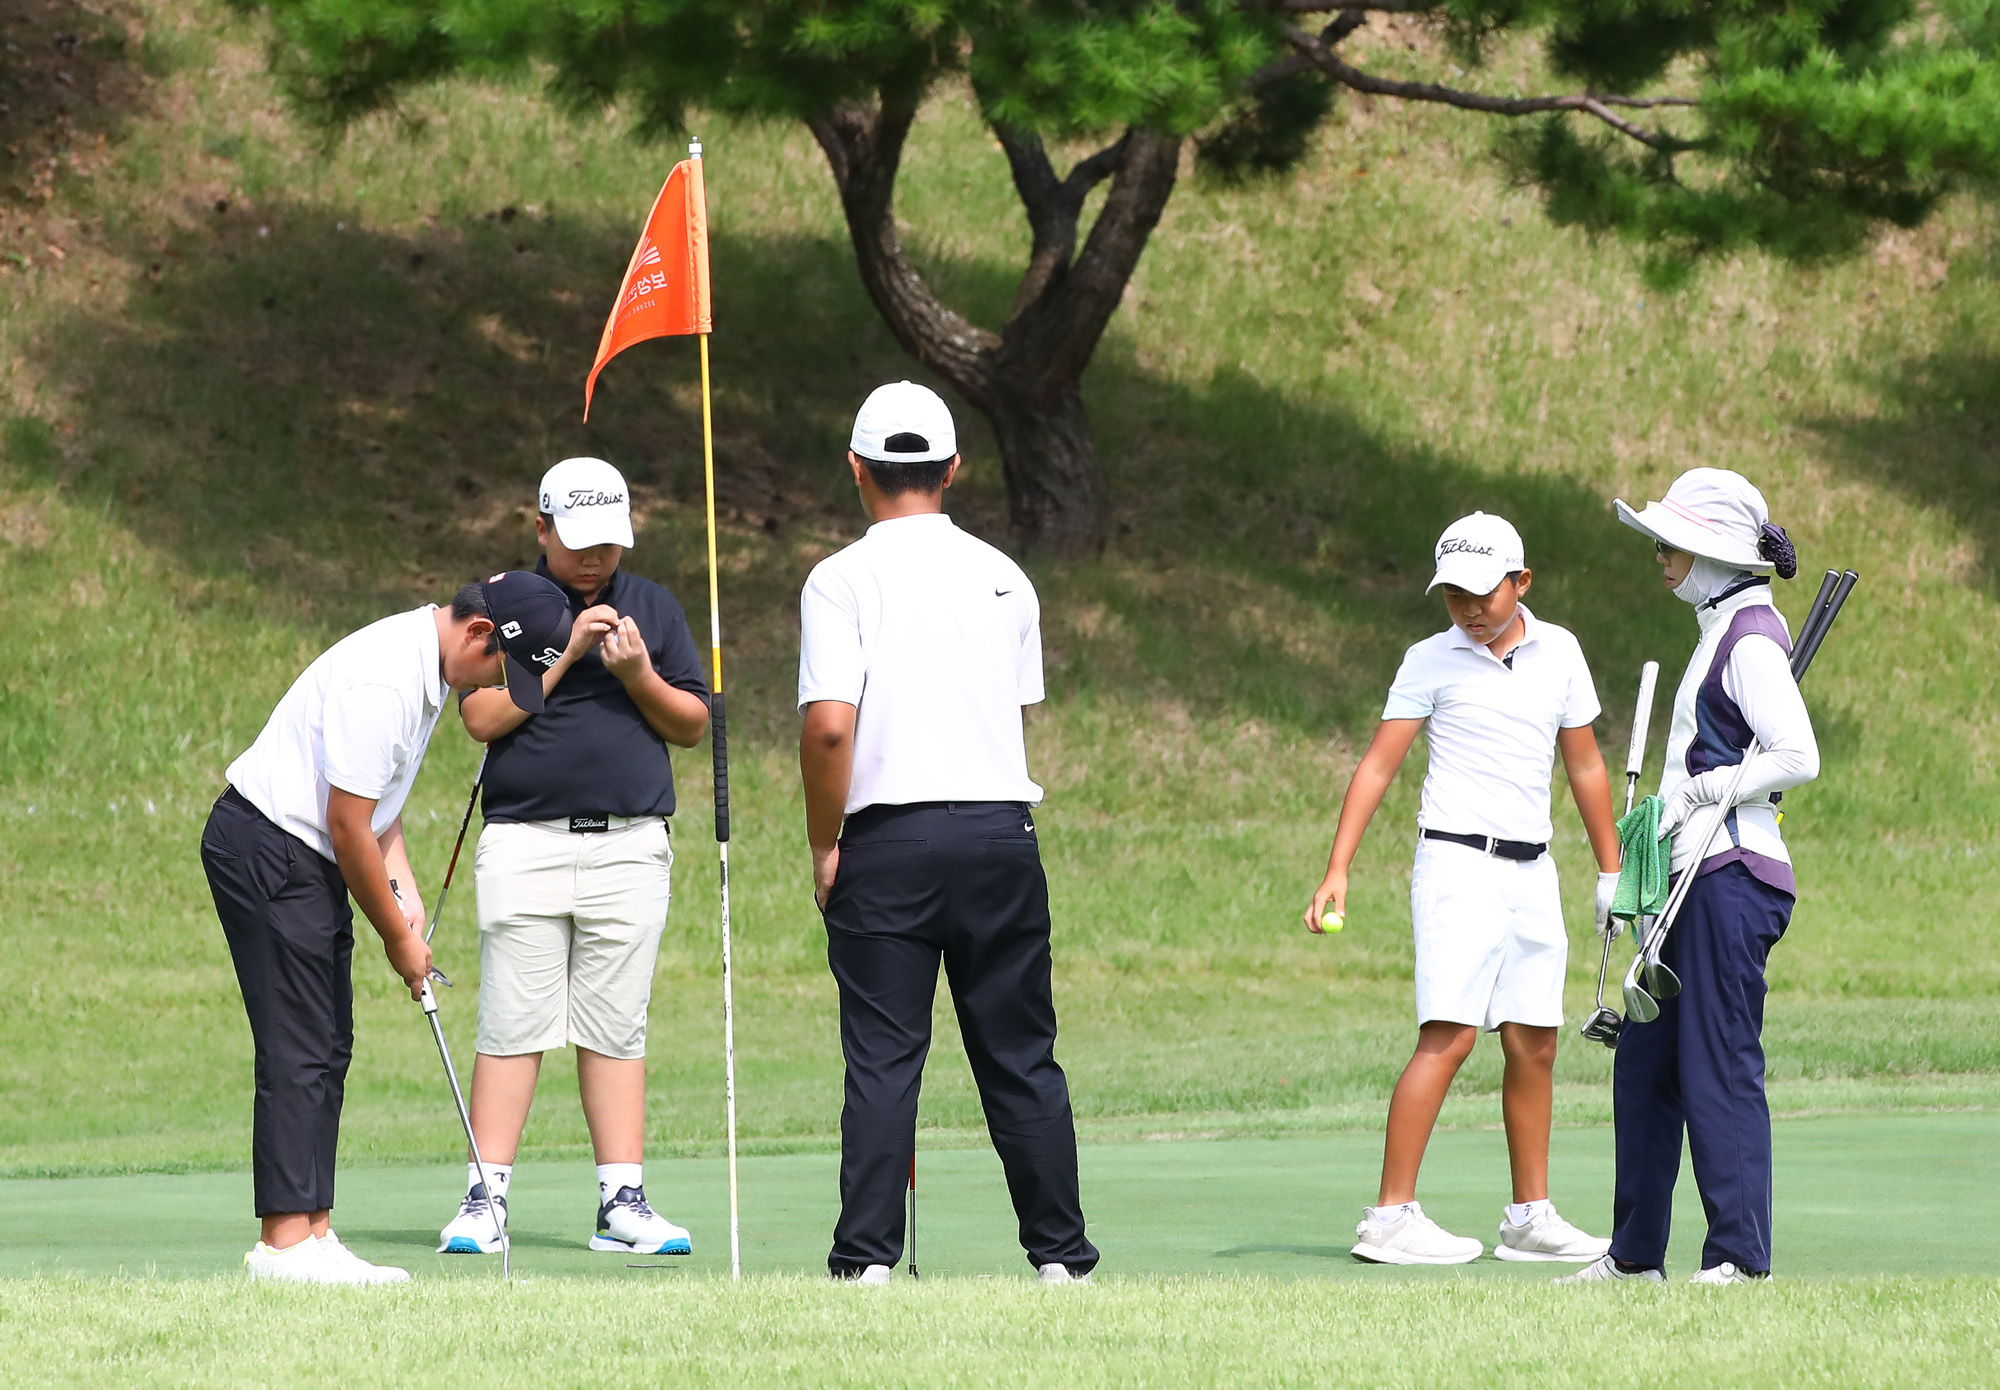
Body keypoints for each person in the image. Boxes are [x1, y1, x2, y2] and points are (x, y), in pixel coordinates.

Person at [798, 381, 1099, 1286]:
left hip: (887, 841)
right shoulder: (1007, 576)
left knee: (883, 1059)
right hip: (1001, 836)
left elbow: (829, 729)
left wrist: (824, 843)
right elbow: (1012, 708)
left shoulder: (840, 578)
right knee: (1020, 1054)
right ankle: (1062, 1258)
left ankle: (865, 1263)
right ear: (954, 467)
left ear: (856, 467)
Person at [201, 571, 574, 1284]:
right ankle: (283, 1246)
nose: (498, 684)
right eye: (503, 668)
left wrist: (404, 897)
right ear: (479, 633)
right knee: (298, 1044)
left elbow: (377, 812)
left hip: (304, 852)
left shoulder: (428, 669)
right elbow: (347, 826)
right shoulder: (388, 681)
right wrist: (398, 939)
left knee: (327, 1041)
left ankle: (314, 1233)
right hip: (270, 846)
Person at [1304, 512, 1622, 1265]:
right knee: (1447, 1035)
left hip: (1533, 871)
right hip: (1455, 867)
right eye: (1454, 595)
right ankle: (1389, 1217)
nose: (1470, 609)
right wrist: (1338, 866)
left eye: (1484, 593)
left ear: (1522, 582)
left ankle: (1530, 1217)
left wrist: (1612, 870)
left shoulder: (1562, 651)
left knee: (1535, 1041)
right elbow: (1379, 765)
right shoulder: (1429, 659)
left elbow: (1584, 765)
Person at [436, 457, 712, 1259]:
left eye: (609, 543)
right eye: (579, 541)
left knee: (615, 1024)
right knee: (512, 1021)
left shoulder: (651, 607)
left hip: (629, 843)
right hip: (524, 842)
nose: (595, 559)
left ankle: (621, 1203)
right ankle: (485, 1200)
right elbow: (482, 717)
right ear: (542, 528)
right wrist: (559, 655)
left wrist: (637, 673)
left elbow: (691, 724)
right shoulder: (505, 606)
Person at [1559, 468, 1818, 1287]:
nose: (1661, 556)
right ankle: (1635, 1256)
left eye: (1672, 543)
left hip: (1731, 872)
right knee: (1645, 1068)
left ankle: (1739, 1258)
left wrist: (1710, 789)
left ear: (1714, 554)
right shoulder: (1723, 628)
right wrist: (1638, 866)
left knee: (1717, 1062)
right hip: (1689, 876)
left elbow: (1798, 755)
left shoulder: (1750, 637)